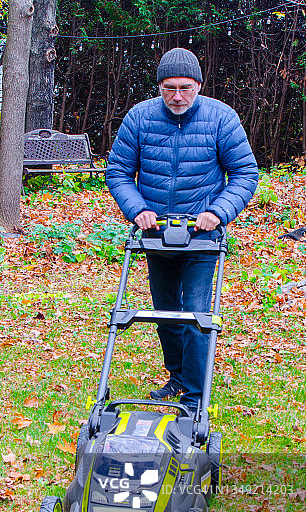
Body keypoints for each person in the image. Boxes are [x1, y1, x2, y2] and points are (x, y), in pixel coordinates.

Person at [106, 47, 258, 413]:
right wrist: (137, 209)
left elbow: (244, 173)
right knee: (164, 313)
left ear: (199, 86)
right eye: (169, 88)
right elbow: (119, 172)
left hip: (202, 235)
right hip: (156, 233)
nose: (177, 96)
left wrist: (218, 212)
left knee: (194, 314)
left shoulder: (221, 118)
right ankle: (177, 375)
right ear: (159, 87)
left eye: (185, 88)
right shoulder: (140, 118)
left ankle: (194, 396)